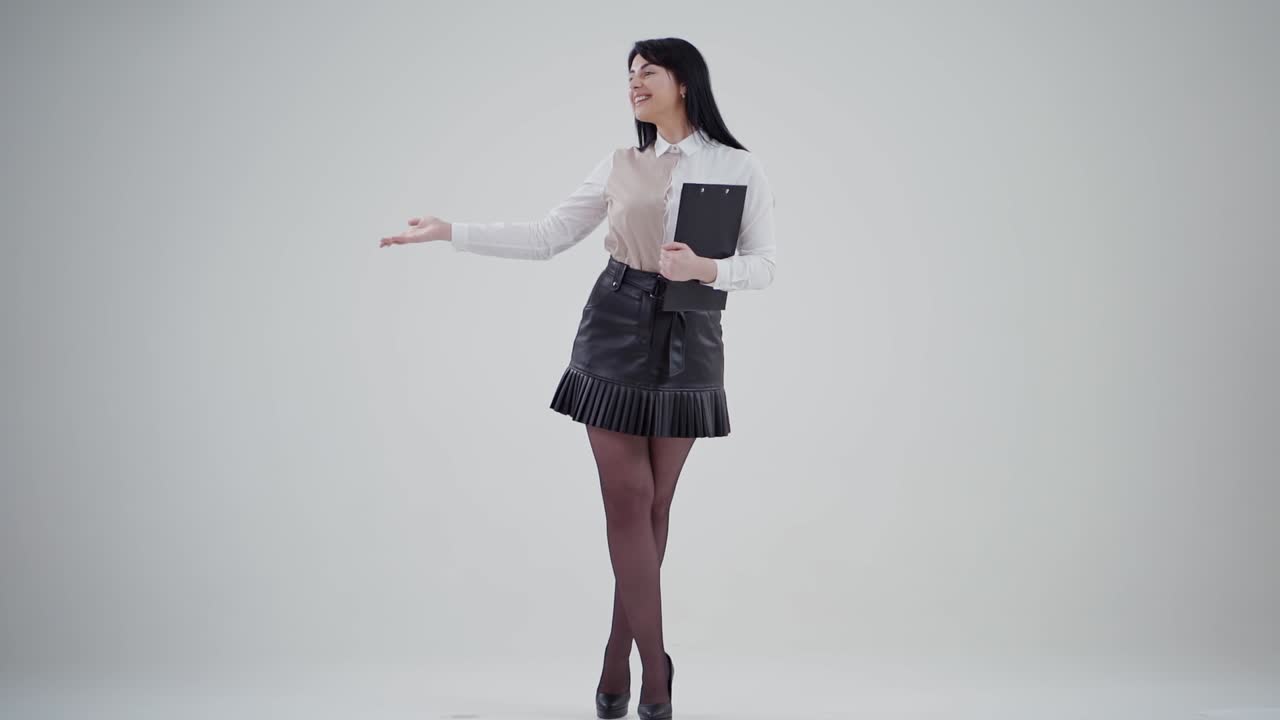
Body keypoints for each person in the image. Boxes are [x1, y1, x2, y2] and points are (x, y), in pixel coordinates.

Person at [380, 37, 776, 720]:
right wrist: (450, 230)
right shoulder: (620, 164)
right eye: (629, 74)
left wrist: (707, 270)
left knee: (656, 508)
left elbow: (764, 265)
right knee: (629, 500)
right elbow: (547, 236)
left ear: (684, 82)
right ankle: (656, 672)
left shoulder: (739, 167)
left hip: (690, 338)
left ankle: (618, 654)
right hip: (614, 328)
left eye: (648, 71)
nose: (634, 83)